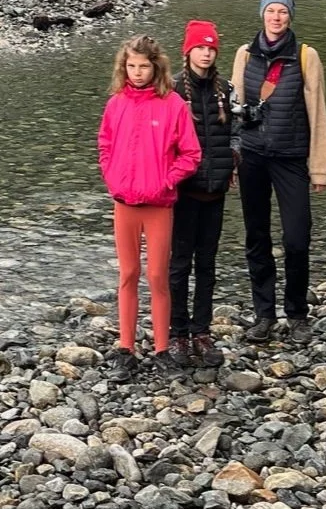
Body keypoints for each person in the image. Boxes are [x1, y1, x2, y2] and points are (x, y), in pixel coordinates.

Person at [97, 34, 202, 378]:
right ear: (123, 67)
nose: (137, 73)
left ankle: (161, 349)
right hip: (124, 201)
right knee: (128, 274)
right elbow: (105, 145)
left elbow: (191, 154)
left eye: (143, 66)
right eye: (131, 66)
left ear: (155, 67)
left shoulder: (172, 104)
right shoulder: (116, 104)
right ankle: (125, 348)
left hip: (158, 203)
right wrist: (113, 178)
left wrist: (167, 180)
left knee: (158, 276)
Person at [231, 0, 326, 344]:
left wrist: (320, 168)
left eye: (282, 12)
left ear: (290, 17)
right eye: (270, 11)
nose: (276, 17)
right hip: (253, 157)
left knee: (297, 238)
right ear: (262, 15)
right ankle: (264, 313)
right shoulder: (244, 54)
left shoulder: (306, 56)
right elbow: (235, 110)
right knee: (256, 237)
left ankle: (297, 312)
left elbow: (317, 113)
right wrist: (231, 158)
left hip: (291, 157)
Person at [168, 19, 237, 369]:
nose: (206, 53)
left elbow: (235, 133)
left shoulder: (226, 88)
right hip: (183, 191)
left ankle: (202, 330)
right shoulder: (173, 90)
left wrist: (232, 166)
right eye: (200, 47)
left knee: (207, 265)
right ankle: (177, 332)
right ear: (188, 50)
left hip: (216, 189)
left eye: (211, 48)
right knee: (179, 264)